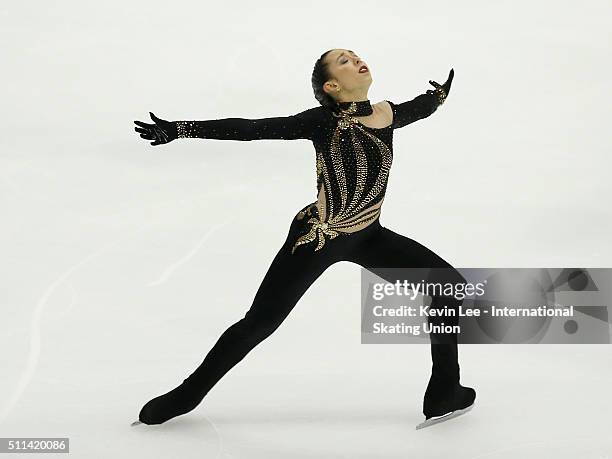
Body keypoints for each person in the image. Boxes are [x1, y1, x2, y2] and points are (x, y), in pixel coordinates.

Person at [132, 48, 476, 428]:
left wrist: (437, 96)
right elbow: (251, 128)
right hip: (319, 237)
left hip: (368, 234)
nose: (357, 60)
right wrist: (181, 129)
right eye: (344, 61)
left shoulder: (388, 113)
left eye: (355, 55)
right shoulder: (322, 121)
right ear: (332, 85)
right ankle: (186, 395)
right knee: (260, 322)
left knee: (446, 286)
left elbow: (419, 108)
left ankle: (445, 390)